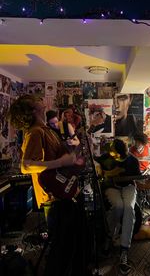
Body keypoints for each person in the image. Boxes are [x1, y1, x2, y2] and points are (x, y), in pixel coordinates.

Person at [8, 94, 92, 276]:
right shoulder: (35, 132)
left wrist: (73, 151)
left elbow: (61, 157)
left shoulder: (44, 130)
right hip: (55, 199)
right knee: (62, 249)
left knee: (70, 245)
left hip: (63, 195)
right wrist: (61, 163)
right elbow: (26, 165)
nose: (41, 101)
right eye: (36, 101)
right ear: (32, 110)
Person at [95, 138, 141, 275]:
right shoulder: (107, 156)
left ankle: (124, 249)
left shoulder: (132, 160)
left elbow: (136, 177)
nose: (114, 156)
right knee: (118, 206)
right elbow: (95, 160)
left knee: (129, 208)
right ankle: (109, 237)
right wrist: (100, 169)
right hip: (111, 187)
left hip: (128, 186)